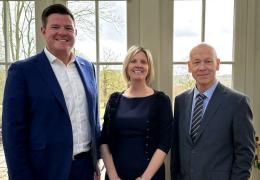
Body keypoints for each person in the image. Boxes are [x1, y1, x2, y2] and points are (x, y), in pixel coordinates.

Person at [2, 4, 100, 180]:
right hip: (44, 171)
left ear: (75, 33)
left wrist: (96, 163)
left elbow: (94, 120)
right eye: (55, 27)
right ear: (43, 31)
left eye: (68, 28)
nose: (62, 32)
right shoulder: (23, 71)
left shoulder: (88, 68)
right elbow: (12, 133)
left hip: (85, 169)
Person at [170, 43, 255, 180]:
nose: (202, 67)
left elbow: (245, 154)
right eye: (196, 62)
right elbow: (177, 150)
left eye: (208, 61)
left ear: (217, 64)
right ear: (189, 66)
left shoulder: (238, 102)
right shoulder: (180, 101)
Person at [100, 45, 173, 180]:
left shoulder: (161, 100)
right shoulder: (114, 100)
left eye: (143, 62)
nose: (138, 65)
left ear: (149, 67)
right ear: (127, 66)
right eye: (133, 61)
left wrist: (144, 178)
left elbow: (165, 143)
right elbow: (104, 140)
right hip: (117, 174)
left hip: (150, 176)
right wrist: (113, 176)